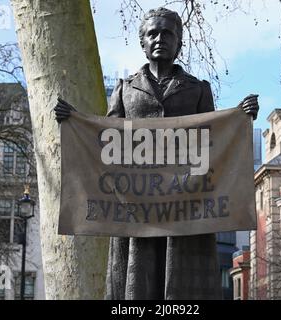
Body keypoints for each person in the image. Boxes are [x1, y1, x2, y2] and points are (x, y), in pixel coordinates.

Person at [54, 7, 258, 299]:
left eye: (167, 33)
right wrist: (74, 121)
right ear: (143, 42)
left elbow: (215, 142)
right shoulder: (125, 90)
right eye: (153, 33)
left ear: (179, 42)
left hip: (187, 211)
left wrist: (241, 116)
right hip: (138, 211)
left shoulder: (198, 89)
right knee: (139, 288)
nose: (160, 38)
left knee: (183, 290)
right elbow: (104, 143)